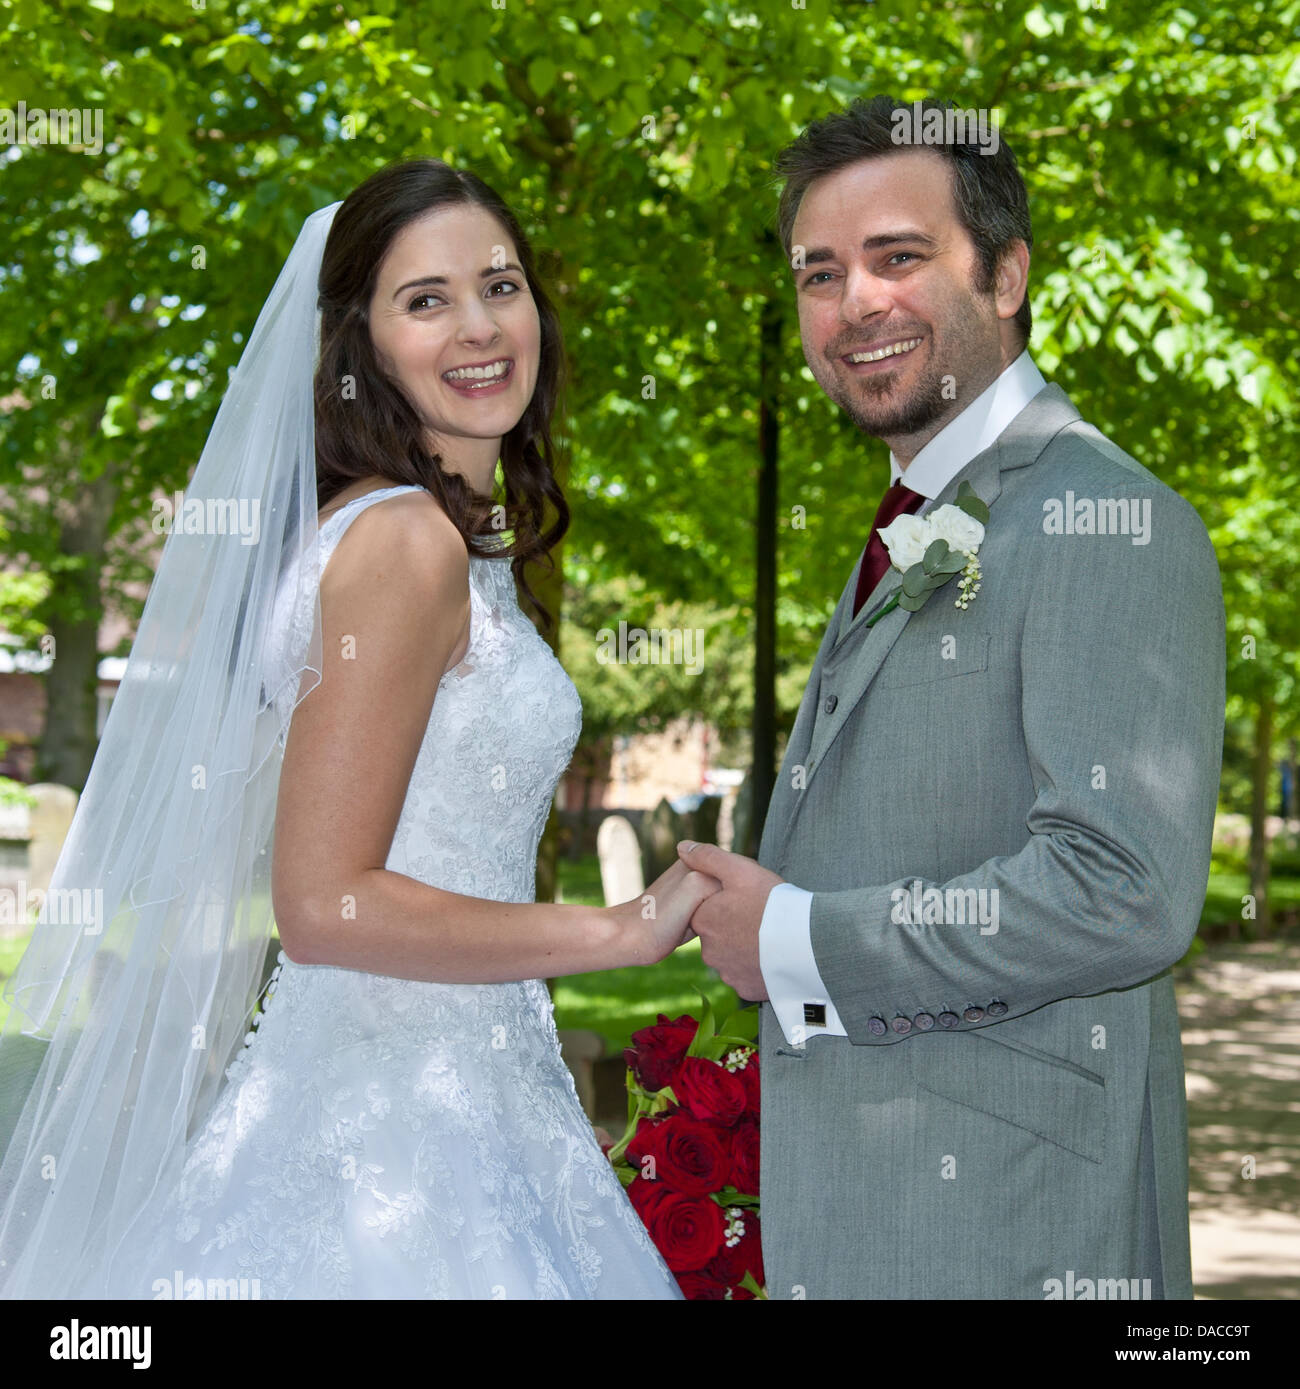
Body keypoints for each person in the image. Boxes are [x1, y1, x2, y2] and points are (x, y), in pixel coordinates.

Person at [0, 159, 717, 1299]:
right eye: (424, 299)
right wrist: (621, 929)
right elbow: (324, 903)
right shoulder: (403, 545)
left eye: (501, 283)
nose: (479, 326)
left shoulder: (418, 535)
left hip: (460, 1100)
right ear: (362, 345)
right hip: (395, 1159)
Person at [677, 96, 1225, 1299]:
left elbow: (1121, 892)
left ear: (1009, 273)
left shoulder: (1105, 521)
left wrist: (795, 938)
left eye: (900, 257)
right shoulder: (924, 507)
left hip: (1010, 1232)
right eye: (819, 273)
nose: (854, 304)